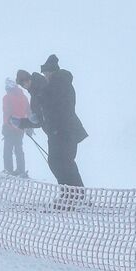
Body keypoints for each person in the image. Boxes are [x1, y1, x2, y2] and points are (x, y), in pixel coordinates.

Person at [17, 54, 86, 190]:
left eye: (23, 82)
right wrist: (23, 123)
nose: (23, 86)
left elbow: (57, 109)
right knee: (59, 163)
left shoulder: (52, 86)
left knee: (63, 163)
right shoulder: (43, 89)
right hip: (57, 131)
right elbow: (42, 118)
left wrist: (40, 116)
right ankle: (71, 195)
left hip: (64, 131)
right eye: (21, 84)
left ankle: (75, 196)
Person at [1, 72, 30, 177]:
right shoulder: (24, 97)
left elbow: (7, 112)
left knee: (8, 151)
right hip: (21, 127)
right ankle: (21, 170)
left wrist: (6, 125)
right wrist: (29, 126)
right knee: (19, 150)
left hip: (9, 127)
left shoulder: (6, 97)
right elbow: (29, 111)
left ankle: (8, 171)